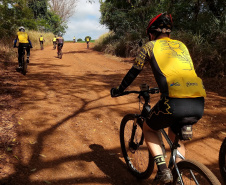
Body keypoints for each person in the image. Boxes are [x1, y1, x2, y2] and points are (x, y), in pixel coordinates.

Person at [111, 13, 206, 184]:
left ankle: (163, 171)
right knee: (174, 133)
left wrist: (119, 89)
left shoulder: (149, 46)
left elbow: (133, 72)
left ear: (151, 33)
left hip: (174, 103)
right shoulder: (182, 46)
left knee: (149, 128)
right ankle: (178, 174)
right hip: (198, 101)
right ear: (169, 32)